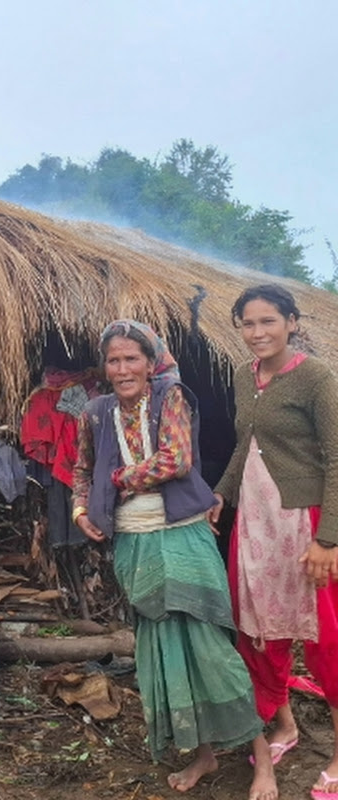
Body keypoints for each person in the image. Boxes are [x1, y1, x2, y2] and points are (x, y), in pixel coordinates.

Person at [72, 319, 276, 800]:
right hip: (133, 542)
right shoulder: (96, 412)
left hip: (182, 536)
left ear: (150, 361)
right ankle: (203, 753)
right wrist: (83, 508)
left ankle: (262, 758)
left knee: (212, 650)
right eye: (114, 360)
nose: (122, 369)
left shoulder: (171, 397)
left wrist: (116, 480)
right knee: (164, 654)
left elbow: (176, 460)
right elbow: (81, 468)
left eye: (131, 359)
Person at [208, 284, 338, 800]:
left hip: (306, 522)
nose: (257, 333)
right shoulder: (245, 375)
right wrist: (222, 491)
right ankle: (284, 726)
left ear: (291, 322)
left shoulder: (315, 377)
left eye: (268, 321)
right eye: (248, 323)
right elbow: (248, 441)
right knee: (260, 626)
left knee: (326, 637)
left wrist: (329, 538)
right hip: (257, 521)